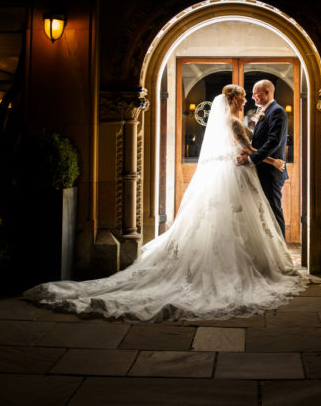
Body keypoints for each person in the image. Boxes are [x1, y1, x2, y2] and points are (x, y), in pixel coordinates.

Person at [24, 84, 304, 322]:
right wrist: (275, 160)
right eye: (243, 96)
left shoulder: (232, 121)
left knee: (230, 224)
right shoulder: (232, 122)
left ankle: (233, 264)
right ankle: (240, 268)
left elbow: (246, 148)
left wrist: (257, 145)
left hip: (235, 173)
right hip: (236, 174)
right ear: (233, 100)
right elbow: (249, 150)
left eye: (248, 95)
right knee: (235, 224)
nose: (246, 100)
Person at [236, 79, 289, 239]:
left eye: (256, 93)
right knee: (264, 212)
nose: (253, 97)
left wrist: (251, 158)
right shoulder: (265, 111)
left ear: (267, 92)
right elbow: (257, 140)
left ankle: (281, 250)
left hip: (271, 172)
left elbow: (273, 141)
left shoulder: (277, 111)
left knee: (273, 210)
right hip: (262, 169)